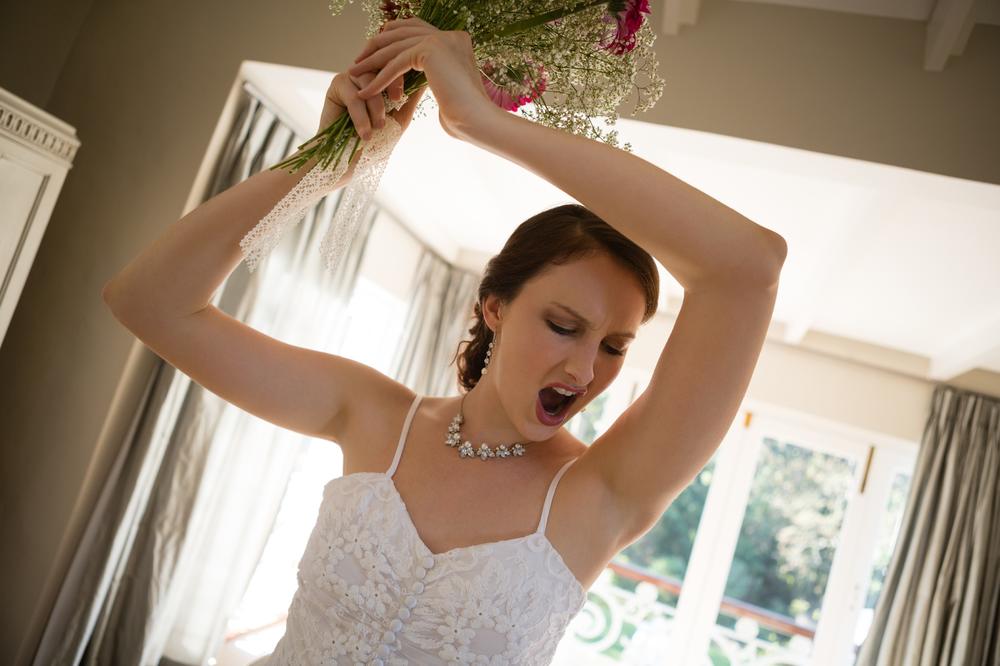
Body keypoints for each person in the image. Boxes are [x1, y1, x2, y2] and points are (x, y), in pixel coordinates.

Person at [103, 16, 787, 666]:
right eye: (563, 326)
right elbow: (150, 302)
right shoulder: (370, 413)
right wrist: (323, 166)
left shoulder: (605, 492)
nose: (585, 369)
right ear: (496, 307)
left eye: (614, 346)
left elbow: (748, 267)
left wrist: (482, 123)